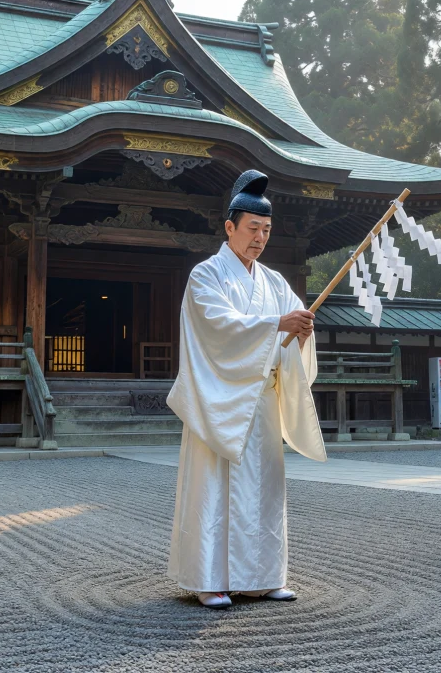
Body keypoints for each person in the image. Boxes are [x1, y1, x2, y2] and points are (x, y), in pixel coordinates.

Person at [166, 170, 328, 610]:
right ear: (230, 228)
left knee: (264, 491)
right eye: (253, 229)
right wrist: (277, 325)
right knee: (214, 490)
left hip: (261, 403)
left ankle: (261, 576)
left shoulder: (274, 281)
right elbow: (217, 326)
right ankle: (208, 579)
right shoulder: (206, 275)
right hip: (218, 400)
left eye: (267, 231)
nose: (260, 238)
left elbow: (292, 327)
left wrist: (300, 331)